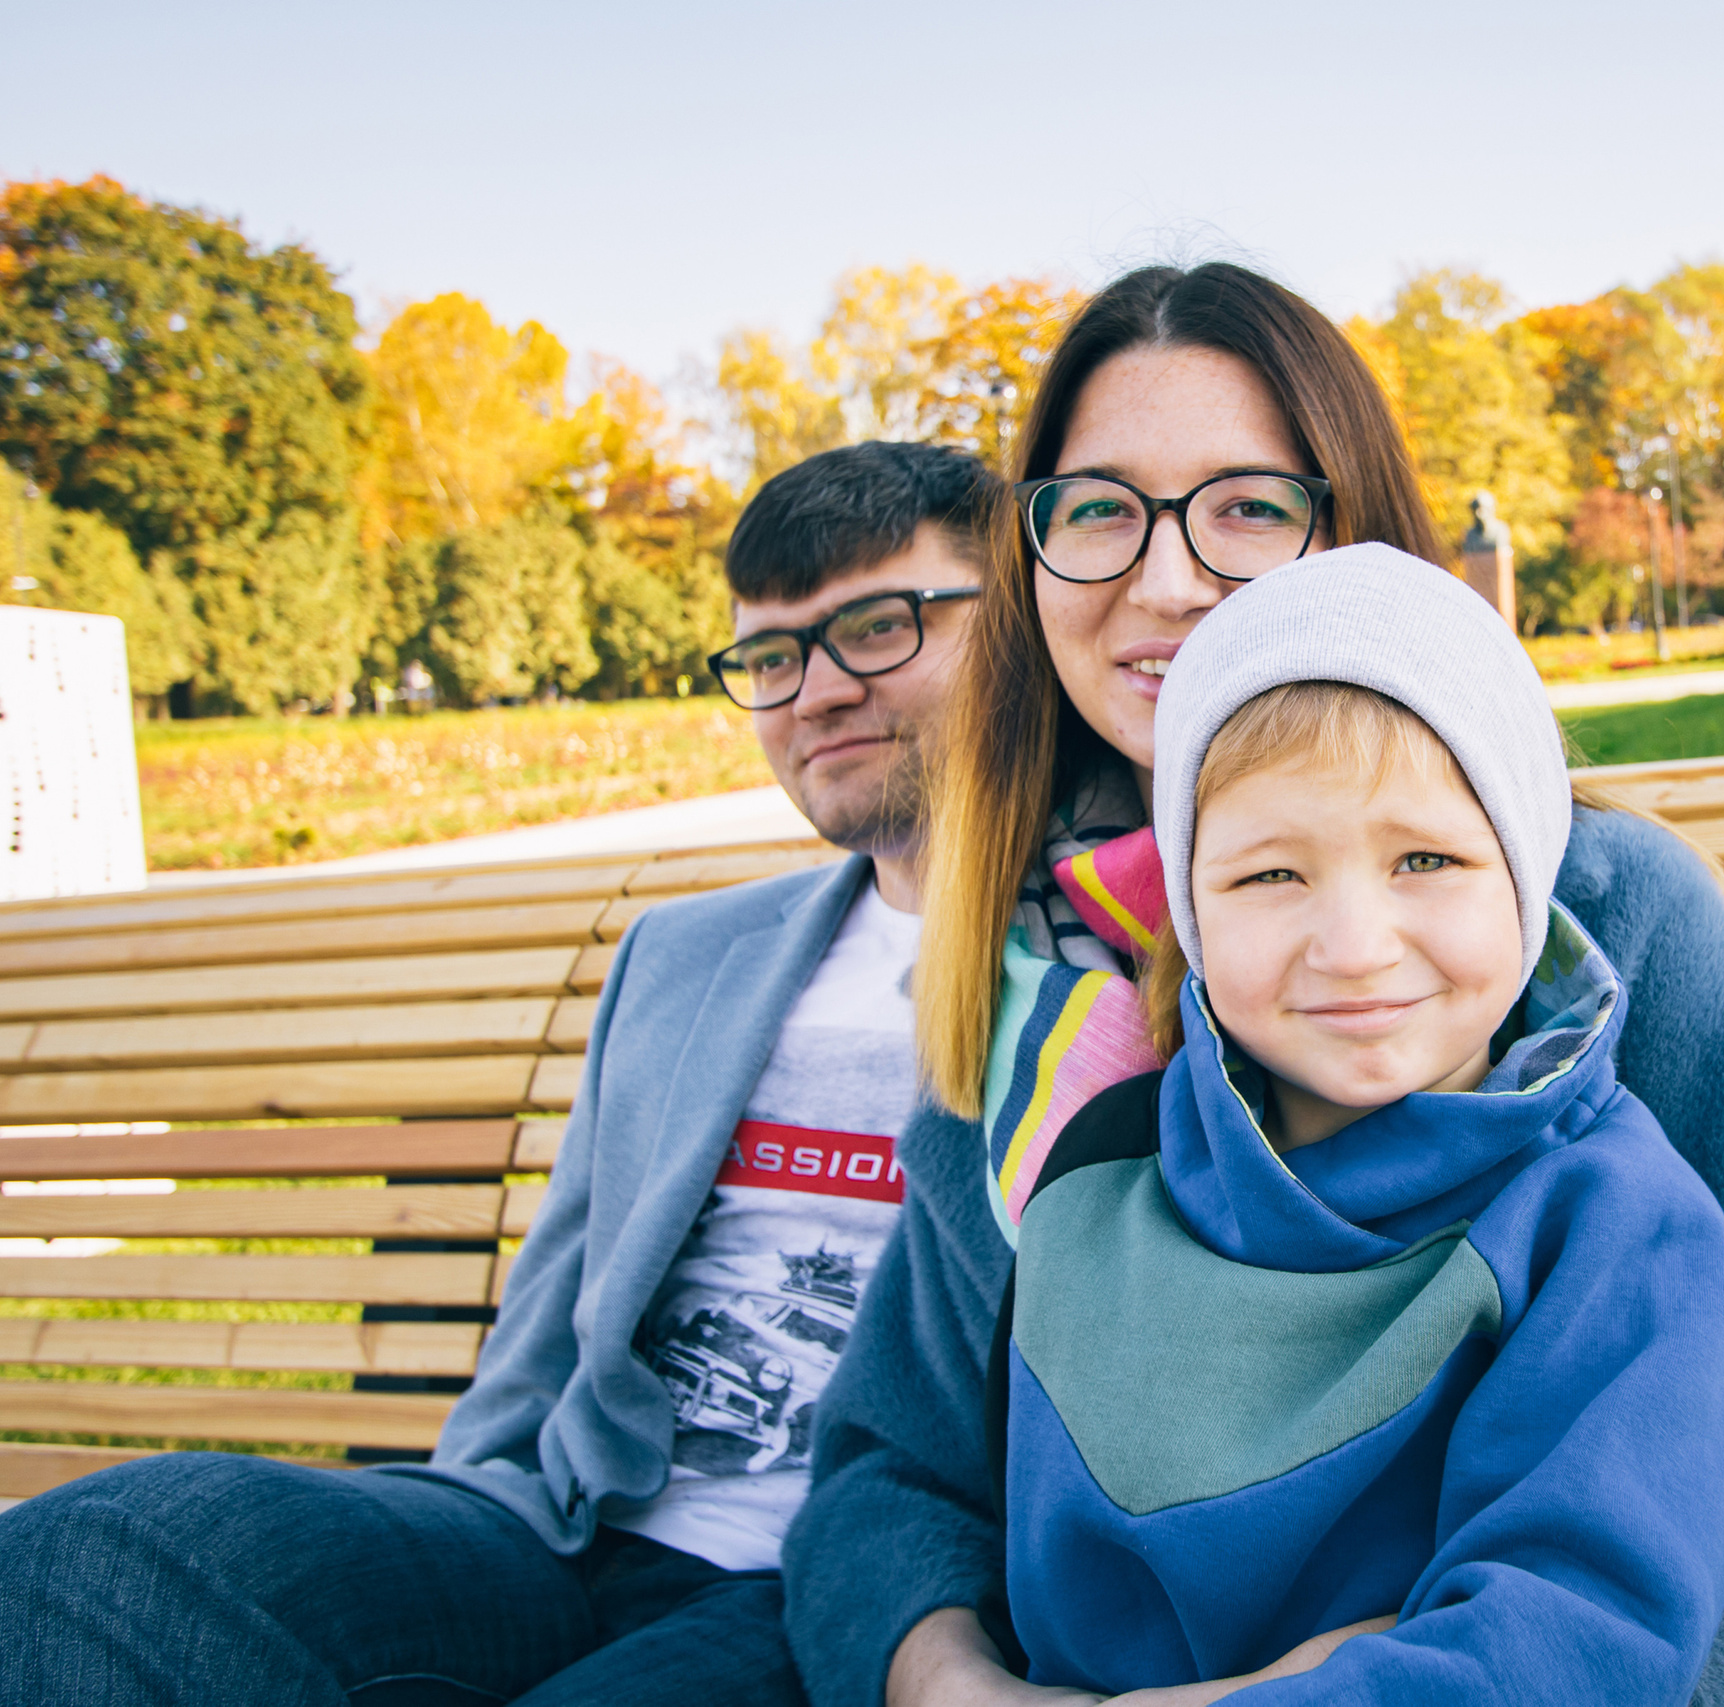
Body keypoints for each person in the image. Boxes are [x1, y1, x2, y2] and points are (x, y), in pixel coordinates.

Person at [781, 263, 1724, 1707]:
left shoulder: (1583, 934)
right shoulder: (1022, 992)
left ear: (1361, 540)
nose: (1164, 581)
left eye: (1250, 506)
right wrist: (946, 1682)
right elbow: (891, 1472)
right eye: (1100, 510)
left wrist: (1439, 1671)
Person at [0, 441, 1000, 1707]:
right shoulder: (687, 956)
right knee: (82, 1563)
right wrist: (458, 1522)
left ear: (1014, 633)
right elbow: (554, 1304)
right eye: (769, 657)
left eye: (874, 628)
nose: (815, 693)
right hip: (565, 1530)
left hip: (846, 1586)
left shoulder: (1120, 968)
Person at [991, 548, 1724, 1702]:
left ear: (1524, 876)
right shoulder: (1095, 1173)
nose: (1353, 947)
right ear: (1190, 907)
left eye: (1425, 860)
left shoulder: (1607, 1226)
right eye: (1269, 876)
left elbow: (1571, 1638)